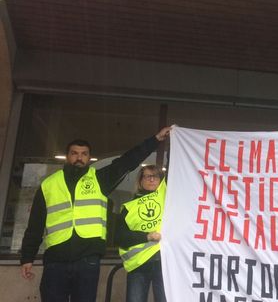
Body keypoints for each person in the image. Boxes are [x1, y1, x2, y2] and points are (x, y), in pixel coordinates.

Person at [20, 126, 172, 302]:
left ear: (89, 157)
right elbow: (35, 225)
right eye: (74, 153)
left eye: (84, 154)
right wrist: (27, 258)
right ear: (68, 156)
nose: (79, 157)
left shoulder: (99, 179)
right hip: (56, 259)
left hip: (88, 260)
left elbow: (128, 160)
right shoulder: (49, 184)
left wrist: (156, 139)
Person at [116, 164, 167, 302]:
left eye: (155, 176)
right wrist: (146, 236)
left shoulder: (166, 198)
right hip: (139, 265)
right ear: (140, 180)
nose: (151, 180)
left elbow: (174, 163)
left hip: (165, 263)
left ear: (161, 180)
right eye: (147, 176)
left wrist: (175, 142)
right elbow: (120, 238)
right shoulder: (128, 207)